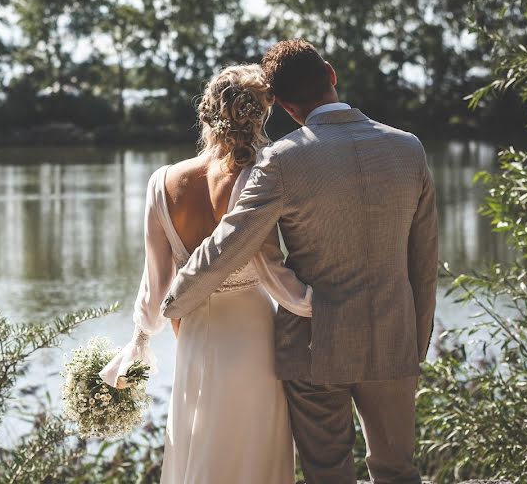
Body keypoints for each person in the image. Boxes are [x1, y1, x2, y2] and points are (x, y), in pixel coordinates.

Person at [163, 39, 439, 484]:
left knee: (327, 473)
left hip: (316, 346)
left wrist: (173, 301)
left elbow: (229, 244)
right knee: (397, 471)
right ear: (331, 74)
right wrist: (415, 338)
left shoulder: (281, 160)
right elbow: (424, 262)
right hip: (392, 336)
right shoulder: (409, 149)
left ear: (285, 107)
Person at [101, 64, 313, 484]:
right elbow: (272, 272)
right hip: (252, 334)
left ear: (206, 112)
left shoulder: (162, 182)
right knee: (252, 450)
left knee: (199, 443)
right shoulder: (259, 176)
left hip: (194, 334)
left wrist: (143, 335)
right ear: (258, 116)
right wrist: (317, 305)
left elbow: (157, 283)